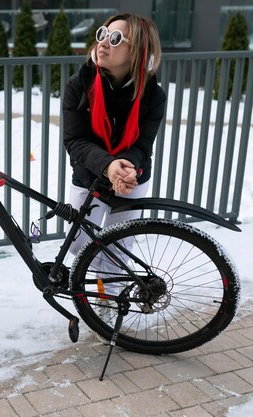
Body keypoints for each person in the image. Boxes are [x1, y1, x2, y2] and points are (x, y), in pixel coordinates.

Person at [63, 14, 166, 299]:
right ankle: (102, 280)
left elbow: (143, 145)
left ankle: (110, 300)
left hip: (132, 177)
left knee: (119, 245)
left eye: (116, 38)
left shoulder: (152, 95)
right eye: (102, 34)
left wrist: (128, 169)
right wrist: (108, 165)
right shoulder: (79, 85)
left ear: (137, 51)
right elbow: (75, 140)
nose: (103, 43)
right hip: (88, 175)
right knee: (79, 243)